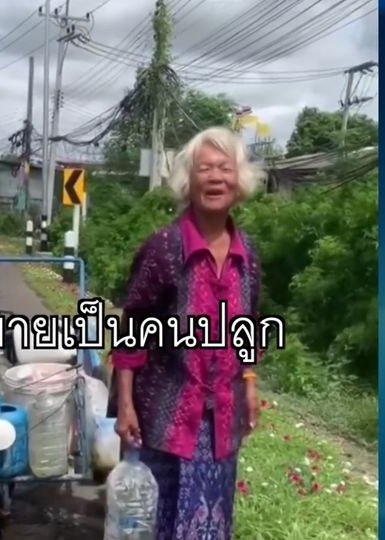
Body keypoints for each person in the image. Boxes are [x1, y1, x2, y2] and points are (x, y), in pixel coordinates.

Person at [109, 126, 264, 539]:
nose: (215, 178)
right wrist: (125, 405)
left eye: (225, 168)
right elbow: (132, 331)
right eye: (204, 169)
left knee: (210, 522)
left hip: (222, 417)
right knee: (155, 520)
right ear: (188, 181)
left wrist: (250, 381)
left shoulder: (248, 254)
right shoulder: (162, 248)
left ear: (239, 180)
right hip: (163, 414)